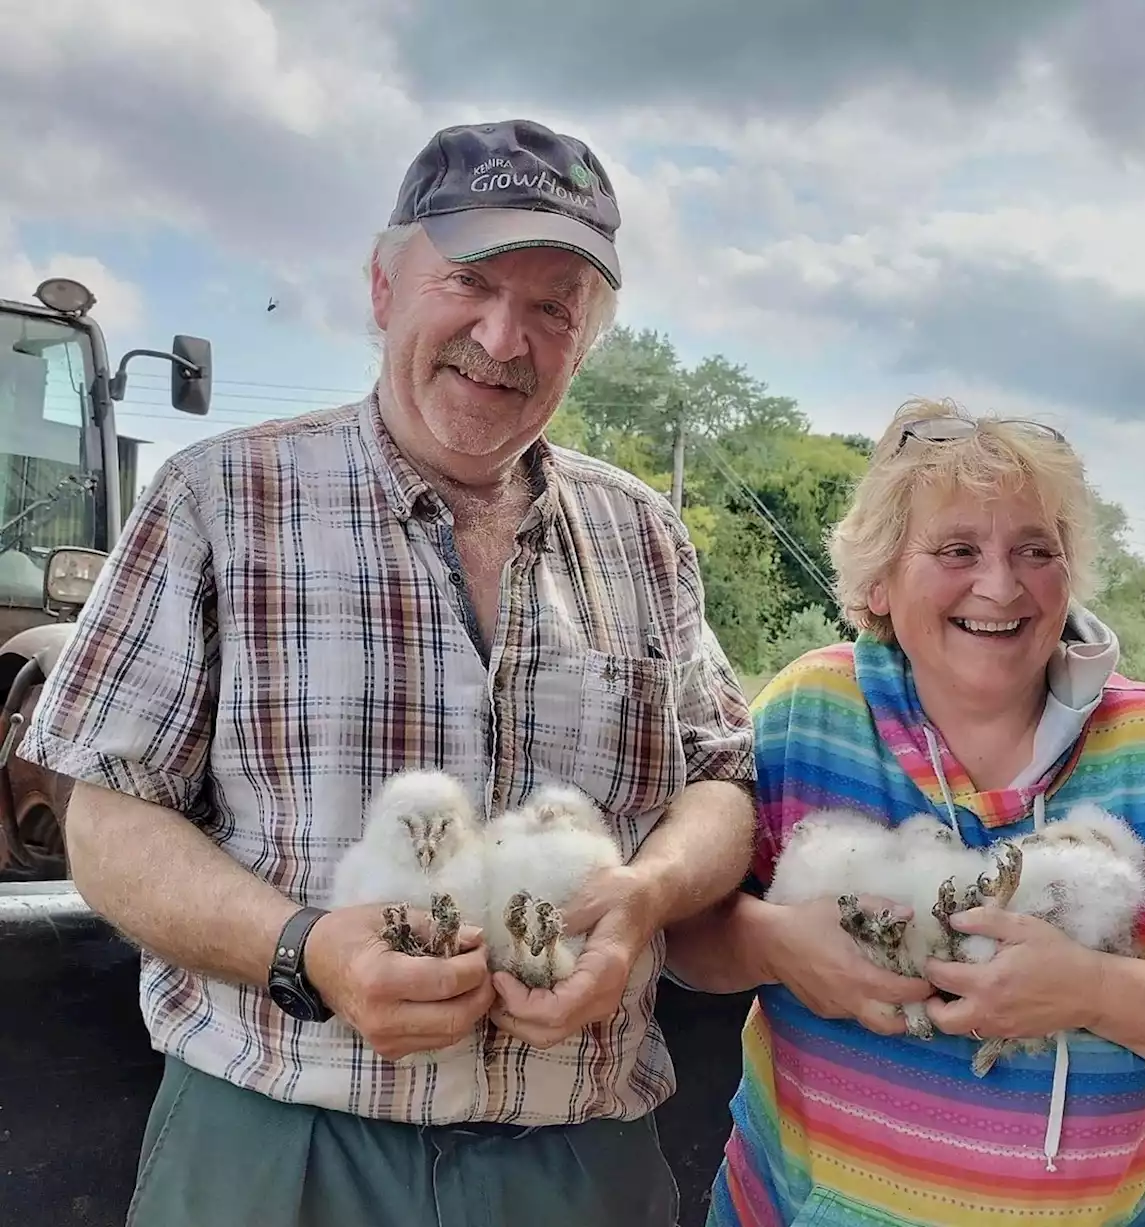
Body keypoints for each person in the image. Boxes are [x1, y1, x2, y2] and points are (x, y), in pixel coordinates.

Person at [19, 118, 757, 1227]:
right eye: (467, 281)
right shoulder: (220, 498)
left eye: (552, 306)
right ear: (381, 285)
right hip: (277, 1153)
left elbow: (719, 779)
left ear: (585, 337)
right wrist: (304, 952)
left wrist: (641, 900)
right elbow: (108, 818)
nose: (503, 339)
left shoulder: (643, 536)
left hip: (580, 1161)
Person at [665, 398, 1145, 1226]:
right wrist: (775, 941)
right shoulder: (811, 714)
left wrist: (1094, 992)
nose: (1001, 583)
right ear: (878, 580)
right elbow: (683, 939)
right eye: (958, 548)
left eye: (1037, 549)